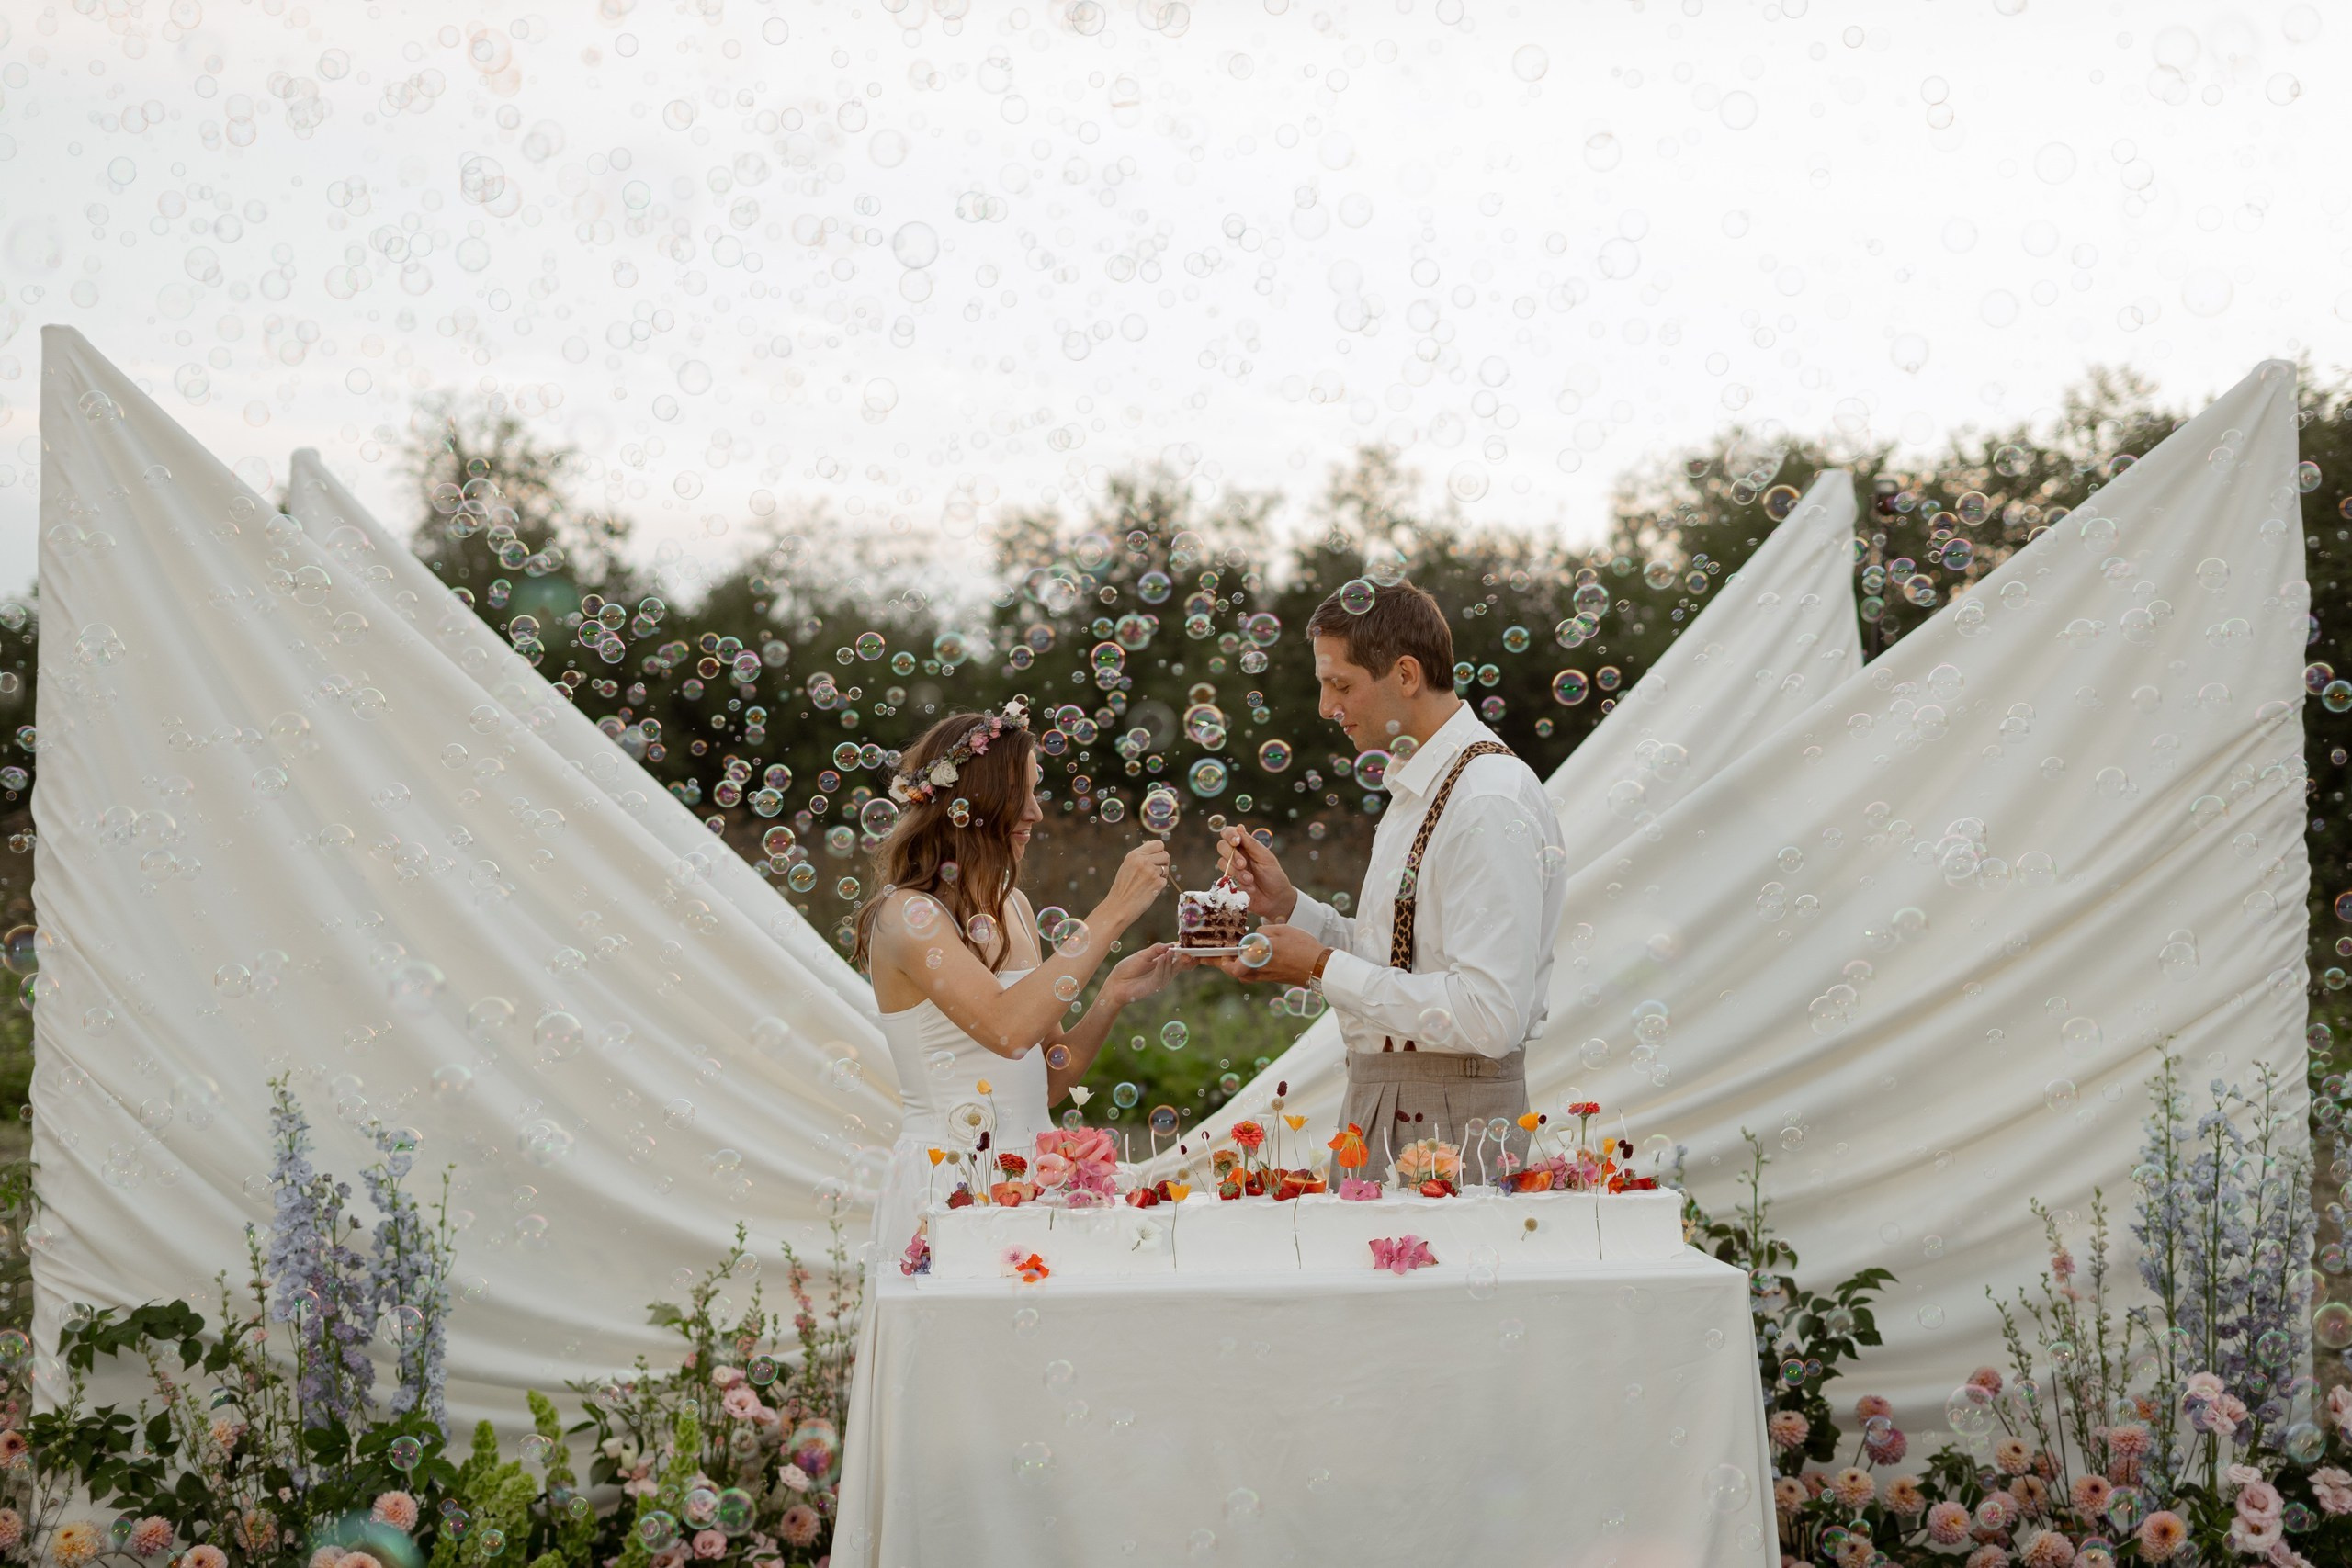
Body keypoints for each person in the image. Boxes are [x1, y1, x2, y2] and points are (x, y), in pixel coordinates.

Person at [1200, 581, 1567, 1176]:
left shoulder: (1487, 800)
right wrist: (1290, 908)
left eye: (1340, 684)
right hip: (1385, 1099)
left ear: (1404, 674)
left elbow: (1489, 1015)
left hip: (1454, 1117)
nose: (1325, 707)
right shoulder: (1421, 787)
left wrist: (1320, 966)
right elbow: (1401, 961)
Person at [853, 698, 1174, 1261]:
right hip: (949, 1182)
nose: (1035, 812)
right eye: (1019, 794)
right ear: (973, 802)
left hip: (1036, 1176)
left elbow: (1048, 1078)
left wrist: (1112, 996)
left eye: (1035, 792)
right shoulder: (908, 915)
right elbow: (1006, 1029)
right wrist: (1113, 911)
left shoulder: (1016, 908)